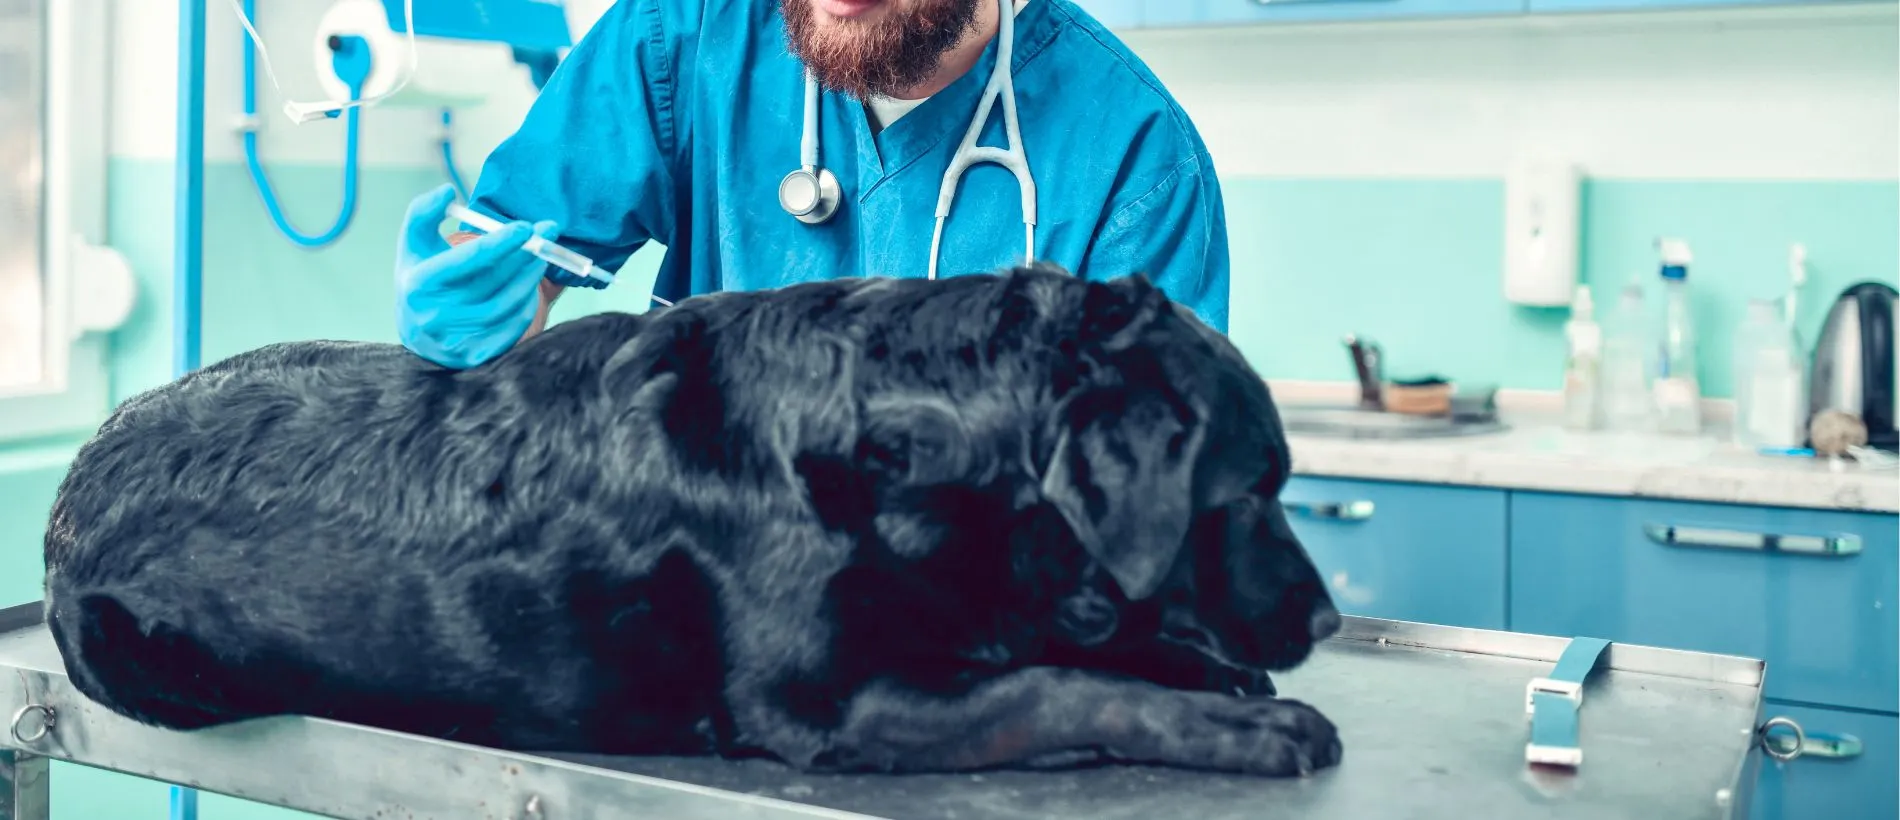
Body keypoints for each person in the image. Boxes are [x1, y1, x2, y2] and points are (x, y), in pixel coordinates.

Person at [395, 0, 1230, 369]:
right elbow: (513, 265)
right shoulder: (684, 33)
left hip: (971, 639)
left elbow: (1144, 493)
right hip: (710, 615)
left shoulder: (1135, 158)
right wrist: (483, 314)